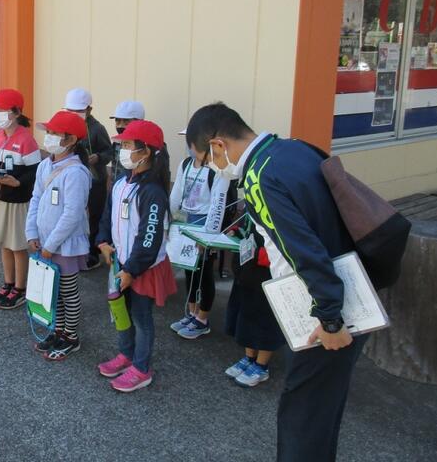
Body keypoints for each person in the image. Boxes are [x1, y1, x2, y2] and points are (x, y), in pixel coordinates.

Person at [186, 102, 365, 462]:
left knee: (302, 417)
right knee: (321, 413)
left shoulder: (259, 177)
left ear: (218, 145)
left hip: (322, 314)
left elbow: (303, 249)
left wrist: (330, 318)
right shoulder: (294, 149)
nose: (212, 168)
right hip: (353, 289)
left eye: (206, 160)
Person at [96, 120, 177, 392]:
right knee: (121, 311)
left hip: (142, 268)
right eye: (123, 145)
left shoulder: (153, 191)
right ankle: (126, 354)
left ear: (146, 151)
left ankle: (142, 368)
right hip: (120, 263)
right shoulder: (121, 183)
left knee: (141, 317)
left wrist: (131, 270)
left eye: (129, 145)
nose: (123, 150)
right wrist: (102, 241)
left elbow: (149, 238)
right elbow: (106, 215)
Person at [25, 111, 93, 360]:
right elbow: (35, 198)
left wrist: (50, 245)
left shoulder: (76, 173)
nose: (49, 137)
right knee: (54, 292)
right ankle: (58, 330)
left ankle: (71, 337)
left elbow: (72, 214)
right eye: (49, 132)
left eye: (55, 133)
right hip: (45, 243)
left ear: (71, 139)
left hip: (65, 245)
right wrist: (31, 232)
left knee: (68, 291)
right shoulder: (45, 165)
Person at [168, 132, 236, 339]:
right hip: (186, 222)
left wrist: (209, 236)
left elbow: (218, 204)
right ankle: (191, 312)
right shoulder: (186, 164)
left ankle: (202, 319)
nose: (189, 145)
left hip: (205, 225)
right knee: (189, 270)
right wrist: (168, 222)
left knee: (204, 273)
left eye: (193, 141)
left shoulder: (217, 169)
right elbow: (176, 193)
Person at [0, 88, 41, 310]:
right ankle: (8, 283)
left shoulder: (27, 139)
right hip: (0, 199)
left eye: (0, 110)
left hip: (18, 202)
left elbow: (35, 172)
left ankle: (20, 288)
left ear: (16, 113)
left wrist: (18, 182)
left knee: (17, 246)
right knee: (4, 244)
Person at [224, 225, 285, 387]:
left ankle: (261, 366)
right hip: (248, 267)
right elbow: (247, 227)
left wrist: (263, 255)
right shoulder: (254, 209)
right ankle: (249, 358)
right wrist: (238, 231)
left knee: (266, 318)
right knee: (246, 312)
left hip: (269, 270)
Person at [64, 88, 113, 270]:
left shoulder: (97, 129)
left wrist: (98, 157)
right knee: (73, 214)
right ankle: (76, 251)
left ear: (89, 109)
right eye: (70, 110)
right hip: (72, 178)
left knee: (94, 217)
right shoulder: (66, 126)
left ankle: (93, 253)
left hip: (95, 180)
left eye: (79, 110)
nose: (75, 114)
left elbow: (109, 152)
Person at [109, 100, 145, 185]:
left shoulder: (148, 146)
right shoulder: (117, 142)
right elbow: (115, 167)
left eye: (126, 122)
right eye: (117, 121)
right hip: (117, 187)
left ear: (139, 121)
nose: (120, 126)